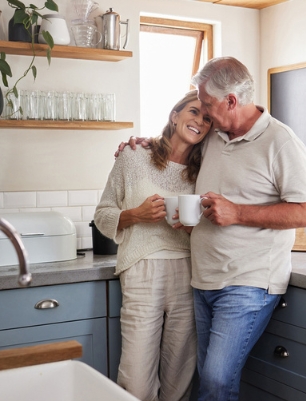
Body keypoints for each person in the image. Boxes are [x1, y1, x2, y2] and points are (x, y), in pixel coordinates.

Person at [121, 56, 306, 401]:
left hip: (249, 282)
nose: (205, 113)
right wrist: (142, 144)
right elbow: (177, 143)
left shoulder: (280, 142)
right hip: (203, 279)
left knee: (215, 381)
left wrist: (237, 212)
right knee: (206, 379)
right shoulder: (215, 135)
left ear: (231, 100)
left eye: (208, 105)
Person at [94, 90, 212, 401]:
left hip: (188, 272)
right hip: (141, 270)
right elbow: (102, 214)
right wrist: (135, 215)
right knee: (135, 382)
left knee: (179, 380)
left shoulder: (205, 172)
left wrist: (189, 226)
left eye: (207, 118)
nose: (200, 121)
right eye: (193, 112)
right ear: (175, 116)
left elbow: (208, 227)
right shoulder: (133, 157)